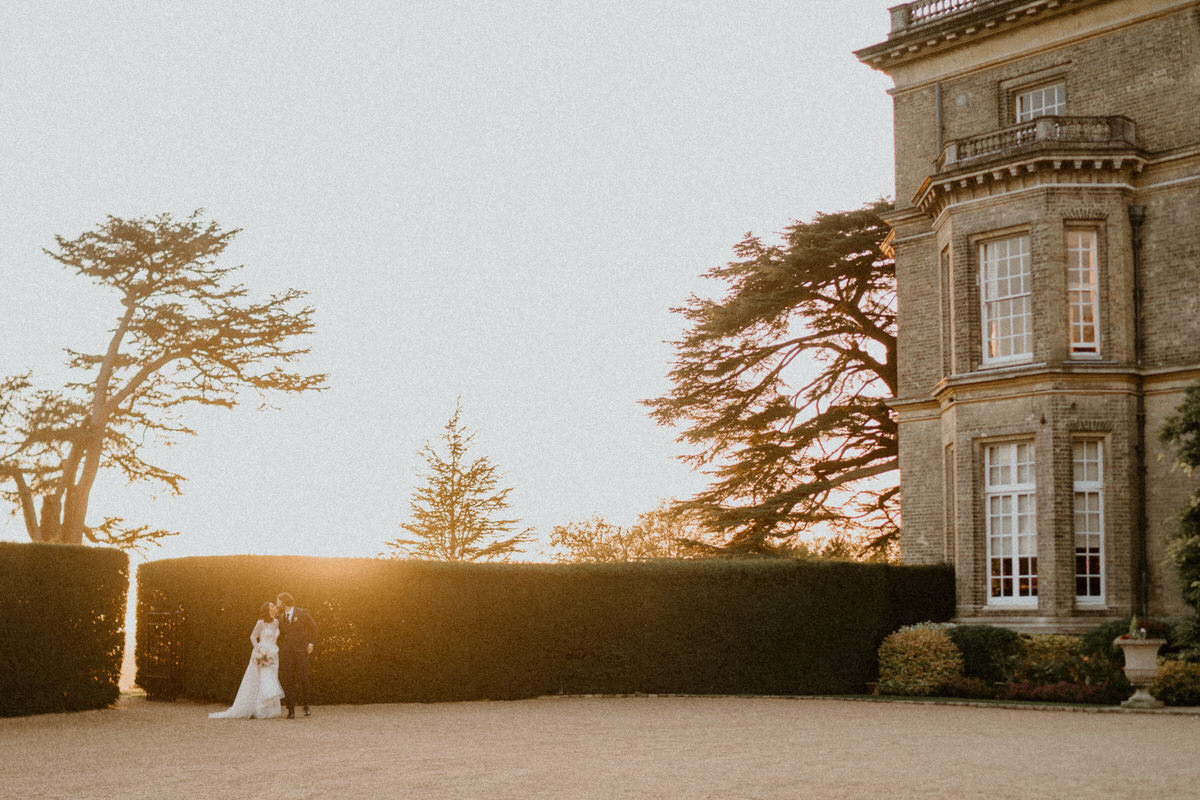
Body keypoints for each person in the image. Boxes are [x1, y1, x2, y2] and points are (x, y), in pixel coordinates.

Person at [208, 601, 285, 719]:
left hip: (273, 653)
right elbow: (253, 636)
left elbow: (275, 637)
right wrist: (259, 650)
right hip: (263, 652)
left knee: (271, 678)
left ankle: (269, 709)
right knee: (263, 679)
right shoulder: (261, 622)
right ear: (268, 610)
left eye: (275, 606)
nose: (275, 607)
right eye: (273, 606)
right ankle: (258, 709)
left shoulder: (276, 622)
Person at [275, 591, 317, 719]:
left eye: (278, 601)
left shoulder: (302, 613)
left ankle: (306, 706)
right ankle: (291, 709)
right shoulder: (281, 618)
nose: (277, 604)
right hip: (288, 653)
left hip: (301, 651)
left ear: (284, 602)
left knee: (304, 678)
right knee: (288, 680)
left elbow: (313, 627)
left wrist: (310, 643)